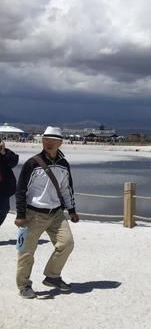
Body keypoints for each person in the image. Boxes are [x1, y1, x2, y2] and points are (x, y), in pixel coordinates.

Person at [15, 126, 80, 299]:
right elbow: (21, 190)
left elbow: (67, 189)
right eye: (45, 139)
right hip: (33, 214)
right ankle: (24, 285)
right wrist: (20, 215)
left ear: (60, 143)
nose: (48, 142)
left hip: (56, 214)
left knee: (67, 243)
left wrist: (72, 210)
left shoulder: (63, 164)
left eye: (52, 140)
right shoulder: (32, 163)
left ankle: (52, 276)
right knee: (26, 252)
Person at [0, 139, 19, 230]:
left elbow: (13, 163)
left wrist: (3, 152)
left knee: (4, 210)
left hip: (3, 188)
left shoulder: (6, 153)